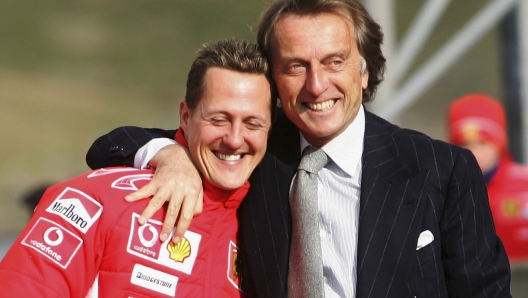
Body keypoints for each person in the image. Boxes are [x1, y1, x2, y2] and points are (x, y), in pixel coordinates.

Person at [86, 0, 512, 297]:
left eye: (334, 62)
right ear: (273, 80)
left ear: (364, 72)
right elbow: (109, 145)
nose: (316, 85)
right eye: (296, 66)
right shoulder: (251, 152)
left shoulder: (442, 169)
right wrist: (171, 156)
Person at [0, 39, 275, 297]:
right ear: (186, 117)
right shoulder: (98, 199)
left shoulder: (268, 231)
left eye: (253, 124)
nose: (235, 139)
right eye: (219, 119)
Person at [448, 93, 528, 263]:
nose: (474, 153)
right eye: (464, 144)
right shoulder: (442, 192)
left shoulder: (525, 185)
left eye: (483, 143)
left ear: (500, 144)